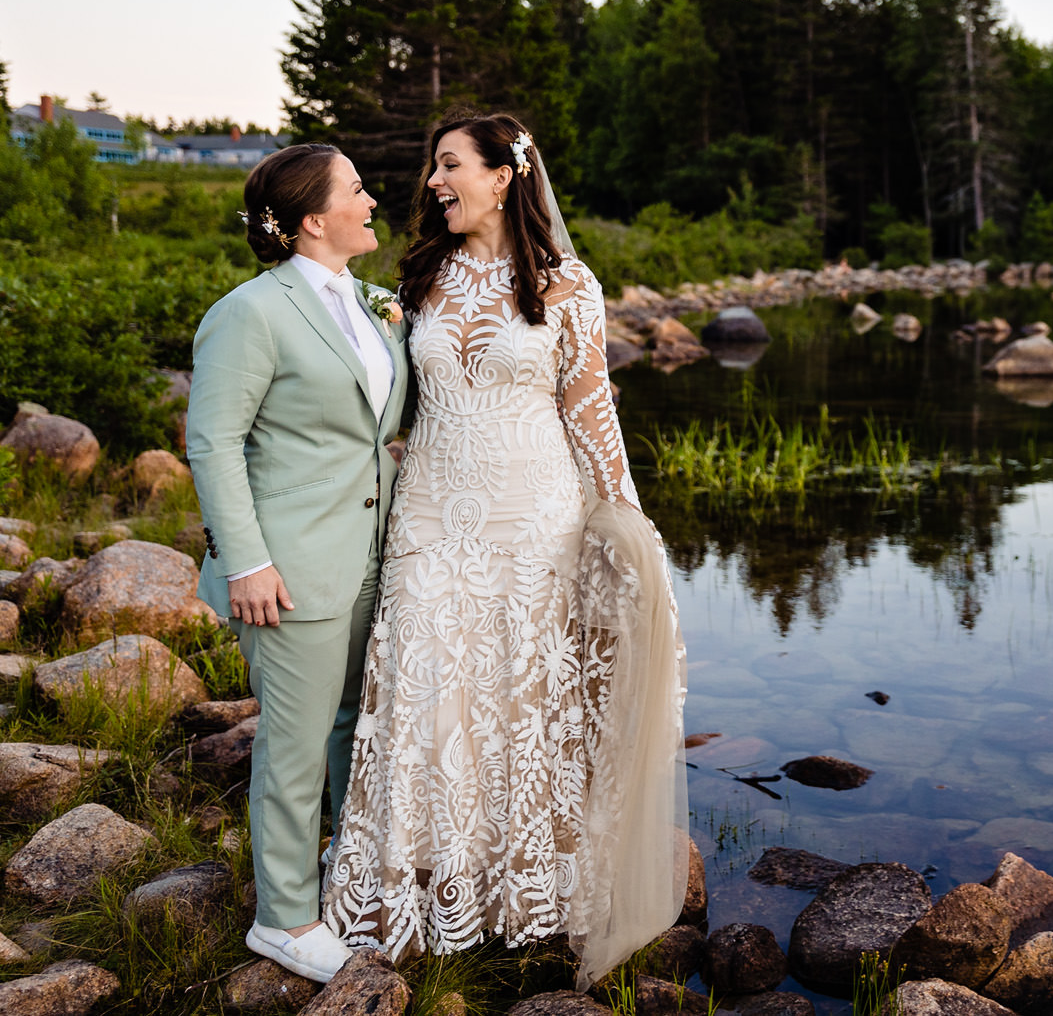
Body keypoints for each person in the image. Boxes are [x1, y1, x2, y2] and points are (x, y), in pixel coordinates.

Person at [324, 114, 687, 986]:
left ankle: (524, 892)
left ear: (503, 176)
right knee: (428, 690)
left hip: (536, 518)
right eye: (433, 167)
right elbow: (396, 403)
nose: (433, 180)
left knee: (524, 699)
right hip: (433, 517)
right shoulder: (421, 274)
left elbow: (591, 412)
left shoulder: (568, 283)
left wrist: (630, 521)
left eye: (450, 164)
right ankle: (421, 887)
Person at [186, 143, 410, 982]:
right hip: (287, 568)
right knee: (293, 742)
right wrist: (246, 560)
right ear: (315, 218)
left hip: (372, 559)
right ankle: (281, 918)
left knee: (357, 724)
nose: (371, 200)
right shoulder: (252, 311)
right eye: (356, 189)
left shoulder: (378, 305)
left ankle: (342, 882)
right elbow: (213, 440)